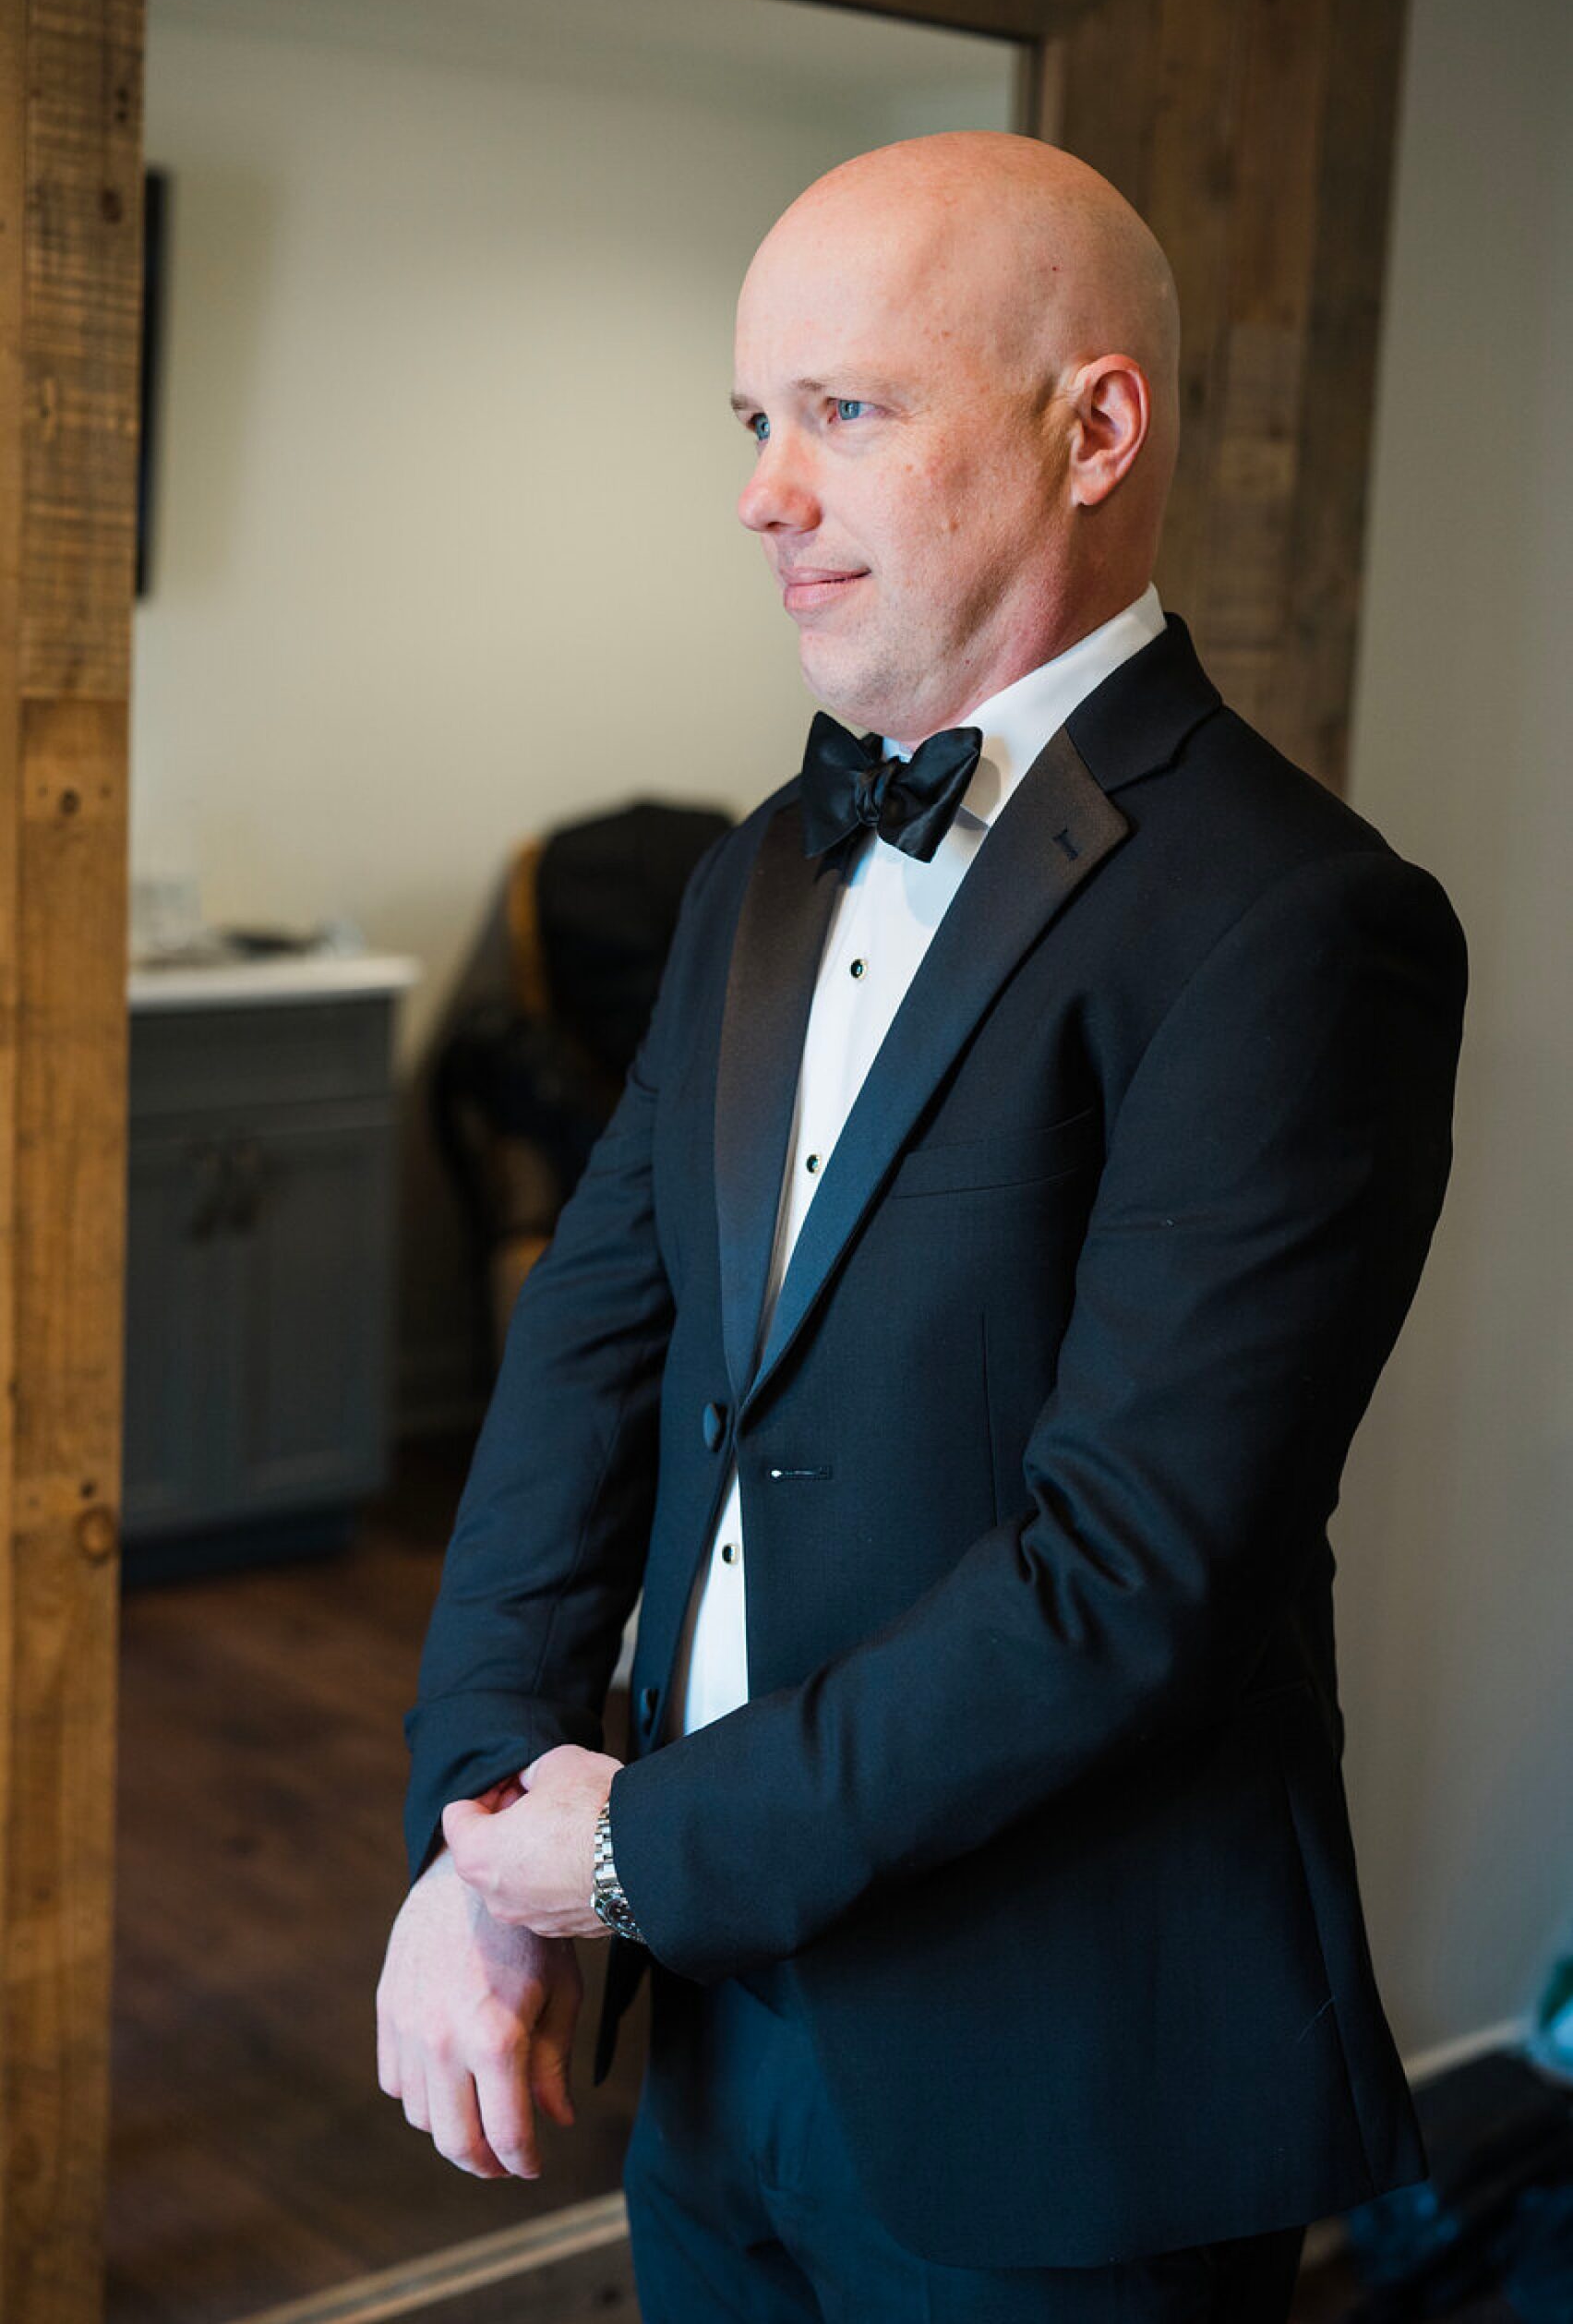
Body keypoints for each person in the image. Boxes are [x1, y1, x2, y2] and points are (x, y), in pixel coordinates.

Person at [378, 131, 1467, 2322]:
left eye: (846, 410)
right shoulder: (758, 867)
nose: (766, 490)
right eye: (754, 421)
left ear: (1094, 427)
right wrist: (481, 1830)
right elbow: (590, 1357)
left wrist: (615, 1852)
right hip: (711, 2038)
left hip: (1066, 2081)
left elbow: (1128, 1572)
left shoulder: (1301, 924)